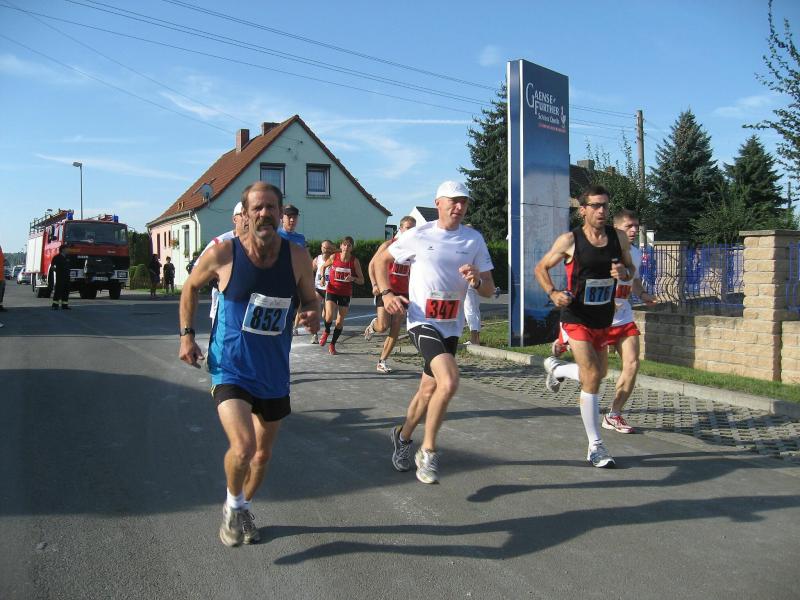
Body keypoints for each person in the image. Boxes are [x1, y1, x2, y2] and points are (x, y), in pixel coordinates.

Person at [178, 181, 319, 548]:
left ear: (280, 212)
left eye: (271, 207)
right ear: (245, 214)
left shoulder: (297, 257)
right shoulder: (224, 253)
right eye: (257, 207)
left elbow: (310, 300)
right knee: (243, 446)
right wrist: (187, 335)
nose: (264, 213)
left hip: (273, 371)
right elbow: (190, 287)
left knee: (261, 455)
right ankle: (233, 501)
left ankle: (241, 507)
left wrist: (312, 313)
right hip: (231, 366)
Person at [375, 181, 494, 484]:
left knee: (429, 390)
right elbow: (380, 261)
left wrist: (477, 281)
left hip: (451, 324)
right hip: (421, 320)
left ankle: (402, 437)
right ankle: (427, 452)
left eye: (464, 202)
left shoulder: (474, 239)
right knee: (449, 380)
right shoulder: (418, 234)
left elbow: (489, 290)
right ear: (438, 203)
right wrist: (386, 294)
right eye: (453, 201)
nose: (459, 206)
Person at [534, 185, 634, 468]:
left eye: (605, 206)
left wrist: (624, 272)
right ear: (583, 210)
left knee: (598, 374)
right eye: (596, 206)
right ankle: (595, 445)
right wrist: (553, 293)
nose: (602, 211)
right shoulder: (570, 240)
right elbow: (540, 268)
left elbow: (630, 271)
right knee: (591, 375)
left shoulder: (618, 238)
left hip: (603, 316)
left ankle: (557, 369)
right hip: (575, 315)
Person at [544, 209, 656, 434]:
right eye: (629, 226)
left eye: (636, 226)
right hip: (595, 319)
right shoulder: (600, 250)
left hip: (623, 318)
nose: (634, 230)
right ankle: (560, 370)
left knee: (632, 363)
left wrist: (643, 294)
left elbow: (633, 280)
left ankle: (614, 414)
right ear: (617, 229)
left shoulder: (633, 253)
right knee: (596, 374)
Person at [364, 216, 416, 373]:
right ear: (400, 229)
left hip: (403, 292)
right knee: (383, 326)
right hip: (386, 290)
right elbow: (372, 265)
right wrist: (375, 284)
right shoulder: (388, 245)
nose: (411, 231)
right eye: (408, 228)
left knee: (396, 327)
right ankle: (374, 326)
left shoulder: (416, 249)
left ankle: (382, 361)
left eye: (414, 228)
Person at [198, 201, 248, 322]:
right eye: (243, 214)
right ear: (234, 219)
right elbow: (196, 269)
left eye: (250, 215)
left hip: (249, 310)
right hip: (223, 310)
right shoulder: (220, 242)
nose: (247, 219)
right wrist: (220, 282)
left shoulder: (259, 243)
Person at [318, 236, 365, 355]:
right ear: (341, 246)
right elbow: (323, 267)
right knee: (329, 316)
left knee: (339, 322)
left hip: (345, 293)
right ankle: (326, 331)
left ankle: (332, 344)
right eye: (344, 245)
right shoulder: (334, 257)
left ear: (351, 248)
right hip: (332, 290)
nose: (346, 247)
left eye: (349, 245)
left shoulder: (354, 261)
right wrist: (322, 277)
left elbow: (362, 280)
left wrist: (353, 278)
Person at [277, 204, 310, 336]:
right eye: (289, 217)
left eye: (294, 217)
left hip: (295, 283)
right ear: (282, 218)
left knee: (292, 314)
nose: (292, 220)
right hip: (277, 282)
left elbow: (305, 259)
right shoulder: (274, 235)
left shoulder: (300, 238)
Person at [310, 240, 336, 344]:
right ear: (321, 248)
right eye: (324, 247)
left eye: (328, 248)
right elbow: (311, 271)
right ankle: (314, 335)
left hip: (329, 290)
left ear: (332, 249)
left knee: (326, 315)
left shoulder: (334, 259)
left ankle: (326, 331)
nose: (326, 250)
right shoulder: (317, 259)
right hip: (318, 288)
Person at [50, 245, 70, 310]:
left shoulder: (67, 257)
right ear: (63, 249)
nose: (68, 250)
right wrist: (57, 271)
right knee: (58, 290)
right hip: (60, 277)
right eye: (67, 249)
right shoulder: (57, 257)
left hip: (67, 277)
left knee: (66, 291)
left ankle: (64, 305)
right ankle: (55, 305)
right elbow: (52, 266)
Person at [0, 244, 6, 312]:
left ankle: (0, 305)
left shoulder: (1, 251)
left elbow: (3, 260)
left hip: (1, 277)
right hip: (1, 277)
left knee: (1, 292)